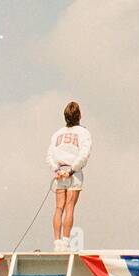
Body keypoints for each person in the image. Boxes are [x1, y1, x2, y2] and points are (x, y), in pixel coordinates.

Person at [46, 101, 92, 250]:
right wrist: (72, 170)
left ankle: (56, 241)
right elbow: (84, 154)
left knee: (59, 208)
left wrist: (57, 170)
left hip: (60, 172)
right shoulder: (83, 132)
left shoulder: (57, 134)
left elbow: (50, 155)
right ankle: (65, 242)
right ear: (79, 116)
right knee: (69, 207)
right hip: (74, 172)